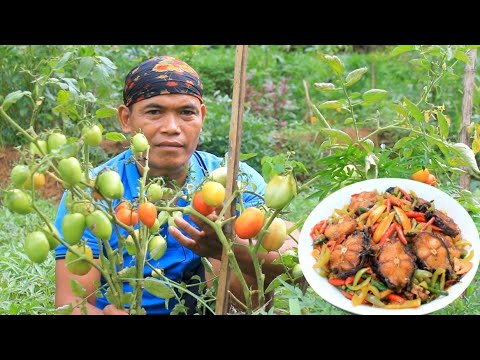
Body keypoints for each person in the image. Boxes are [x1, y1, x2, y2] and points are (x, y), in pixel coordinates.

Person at [54, 55, 297, 315]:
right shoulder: (92, 192)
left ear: (201, 116)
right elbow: (71, 303)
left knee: (242, 259)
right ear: (125, 119)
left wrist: (229, 246)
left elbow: (297, 261)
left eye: (186, 112)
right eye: (155, 112)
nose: (172, 127)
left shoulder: (234, 180)